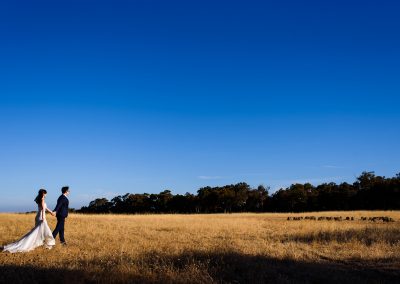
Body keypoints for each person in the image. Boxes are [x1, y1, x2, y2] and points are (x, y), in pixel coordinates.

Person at [2, 189, 56, 253]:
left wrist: (50, 212)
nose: (46, 194)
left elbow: (45, 208)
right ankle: (47, 245)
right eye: (46, 193)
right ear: (43, 193)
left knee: (39, 232)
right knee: (44, 232)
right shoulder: (42, 199)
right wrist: (43, 219)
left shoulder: (41, 199)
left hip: (39, 217)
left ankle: (46, 245)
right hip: (41, 218)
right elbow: (43, 209)